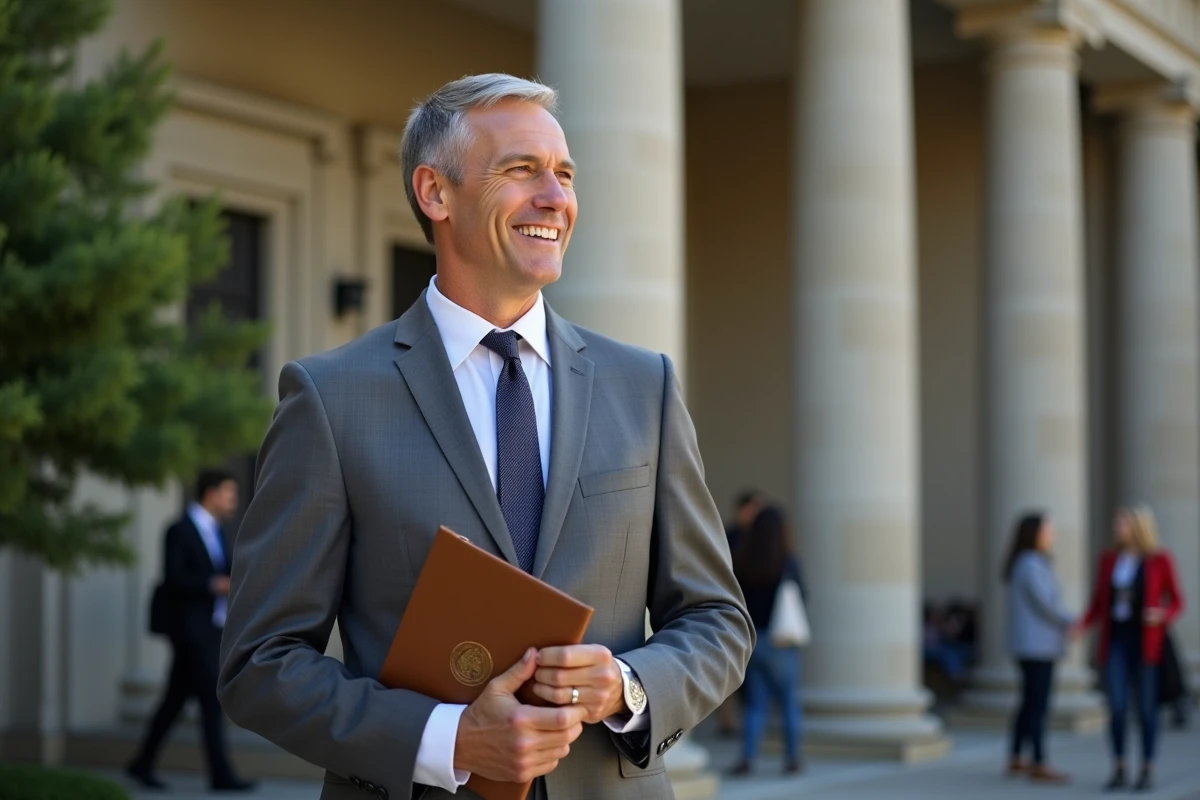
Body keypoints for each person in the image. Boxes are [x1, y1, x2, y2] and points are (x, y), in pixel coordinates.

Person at [216, 74, 754, 800]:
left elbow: (718, 620)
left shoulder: (644, 386)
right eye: (521, 170)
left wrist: (627, 687)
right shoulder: (329, 398)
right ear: (435, 194)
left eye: (564, 174)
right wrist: (447, 740)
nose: (555, 199)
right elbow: (259, 662)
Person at [127, 470, 255, 793]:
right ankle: (221, 776)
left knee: (174, 700)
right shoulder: (180, 530)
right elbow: (174, 577)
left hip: (210, 629)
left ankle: (142, 762)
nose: (233, 501)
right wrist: (214, 584)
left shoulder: (217, 531)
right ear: (210, 493)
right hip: (189, 631)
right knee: (211, 701)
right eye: (229, 493)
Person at [1077, 506, 1185, 792]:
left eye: (1122, 523)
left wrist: (1161, 614)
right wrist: (1081, 625)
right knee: (1117, 706)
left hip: (1146, 642)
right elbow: (1099, 601)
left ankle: (1148, 767)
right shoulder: (1109, 560)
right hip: (1116, 641)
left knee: (1147, 709)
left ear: (1138, 527)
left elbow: (1176, 601)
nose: (1117, 527)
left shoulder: (1159, 560)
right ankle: (1119, 766)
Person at [728, 506, 804, 776]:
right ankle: (792, 759)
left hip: (752, 641)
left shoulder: (742, 560)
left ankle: (747, 758)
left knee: (755, 704)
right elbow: (802, 598)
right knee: (789, 703)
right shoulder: (787, 561)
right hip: (781, 642)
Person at [1002, 512, 1076, 784]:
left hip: (1035, 646)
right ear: (1034, 533)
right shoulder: (1030, 564)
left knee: (1028, 703)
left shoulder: (1029, 563)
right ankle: (1039, 762)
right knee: (1038, 706)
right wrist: (1073, 621)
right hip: (1037, 647)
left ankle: (1016, 757)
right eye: (1048, 530)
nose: (1052, 535)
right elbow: (1045, 604)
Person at [716, 490, 765, 737]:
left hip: (760, 623)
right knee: (730, 676)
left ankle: (750, 731)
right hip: (733, 616)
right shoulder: (730, 538)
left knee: (756, 684)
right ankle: (729, 723)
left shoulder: (766, 540)